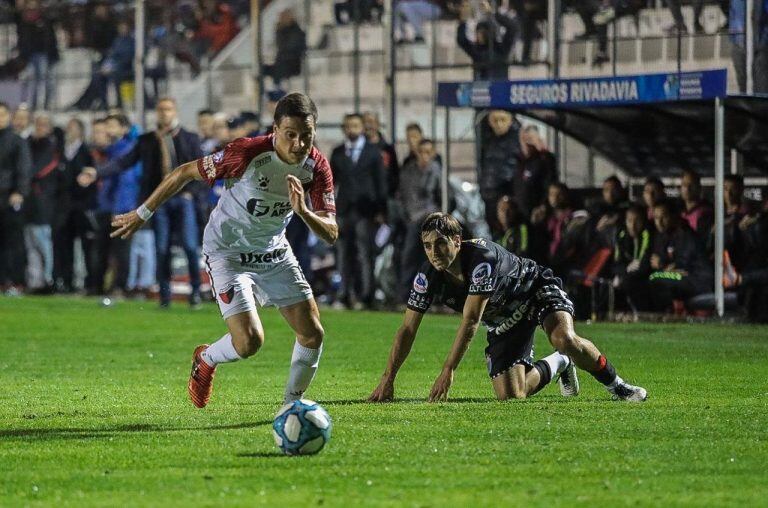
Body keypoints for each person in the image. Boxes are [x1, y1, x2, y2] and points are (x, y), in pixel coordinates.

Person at [109, 93, 338, 408]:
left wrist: (305, 213)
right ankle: (206, 358)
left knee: (313, 334)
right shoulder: (247, 153)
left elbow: (331, 233)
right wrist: (142, 213)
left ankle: (292, 406)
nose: (298, 144)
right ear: (275, 129)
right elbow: (184, 172)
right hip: (227, 250)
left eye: (306, 136)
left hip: (273, 251)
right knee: (249, 342)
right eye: (291, 135)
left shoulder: (317, 166)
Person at [368, 212, 647, 402]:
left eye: (440, 244)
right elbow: (408, 328)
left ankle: (617, 385)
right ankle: (561, 361)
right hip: (504, 319)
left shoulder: (482, 259)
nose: (433, 253)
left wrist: (448, 369)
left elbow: (471, 320)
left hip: (534, 291)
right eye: (427, 246)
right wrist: (388, 378)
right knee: (511, 395)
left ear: (456, 240)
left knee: (564, 338)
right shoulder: (427, 276)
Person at [80, 98, 205, 308]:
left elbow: (202, 168)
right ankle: (165, 296)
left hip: (183, 200)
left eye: (168, 109)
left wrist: (191, 194)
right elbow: (124, 162)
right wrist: (97, 172)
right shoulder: (148, 140)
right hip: (159, 201)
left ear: (175, 112)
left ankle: (195, 293)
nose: (164, 114)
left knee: (190, 247)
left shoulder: (189, 138)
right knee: (161, 248)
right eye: (160, 110)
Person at [330, 113, 387, 309]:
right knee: (343, 253)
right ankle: (344, 293)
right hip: (344, 210)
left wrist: (381, 209)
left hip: (366, 210)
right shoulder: (338, 153)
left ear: (362, 127)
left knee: (365, 253)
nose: (351, 129)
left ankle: (366, 295)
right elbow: (331, 183)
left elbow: (381, 182)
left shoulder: (373, 152)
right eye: (348, 126)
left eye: (355, 125)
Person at [0, 102, 32, 293]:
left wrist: (19, 191)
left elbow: (23, 169)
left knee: (11, 242)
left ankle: (13, 281)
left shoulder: (17, 141)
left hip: (8, 198)